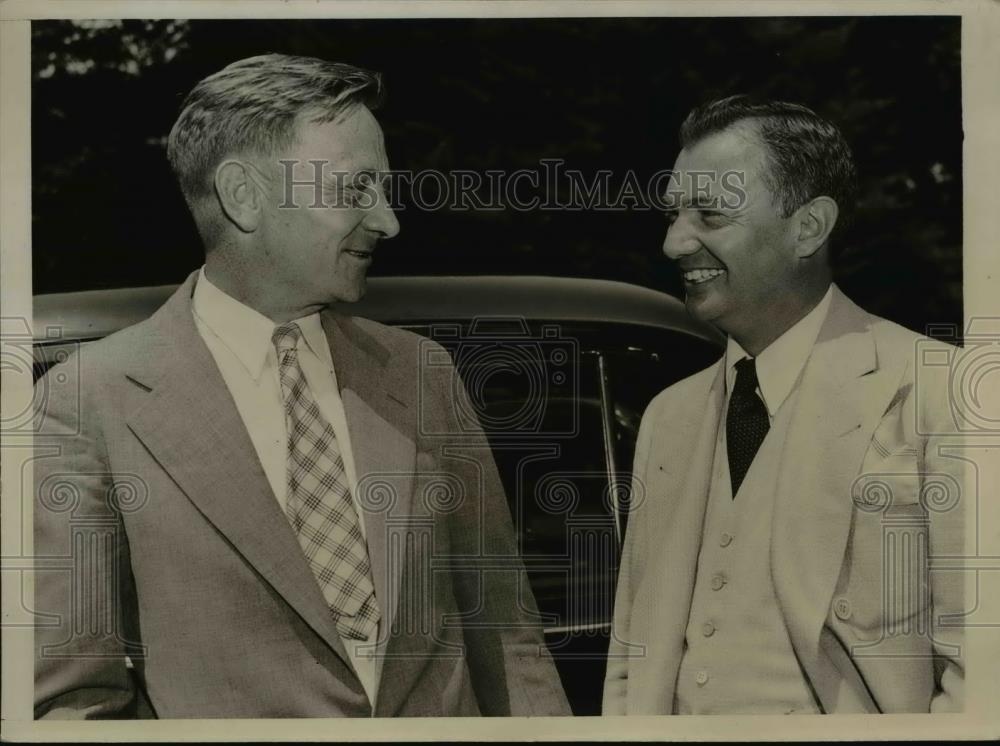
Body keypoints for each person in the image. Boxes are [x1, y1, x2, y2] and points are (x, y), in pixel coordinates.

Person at [33, 54, 569, 719]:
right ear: (244, 195)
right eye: (354, 190)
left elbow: (507, 640)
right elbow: (71, 701)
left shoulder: (421, 373)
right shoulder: (90, 402)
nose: (389, 221)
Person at [603, 96, 965, 714]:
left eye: (711, 215)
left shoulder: (942, 390)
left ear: (808, 227)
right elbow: (630, 663)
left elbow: (984, 676)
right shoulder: (669, 415)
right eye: (673, 215)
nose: (673, 242)